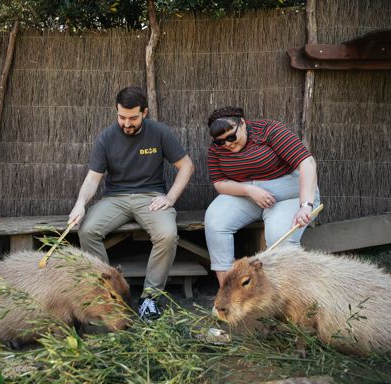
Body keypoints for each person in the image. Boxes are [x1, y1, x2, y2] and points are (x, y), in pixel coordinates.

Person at [68, 86, 194, 321]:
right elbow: (93, 178)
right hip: (115, 199)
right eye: (122, 117)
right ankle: (106, 292)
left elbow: (186, 166)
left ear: (144, 113)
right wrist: (80, 203)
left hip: (150, 198)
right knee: (87, 230)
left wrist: (170, 198)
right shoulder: (106, 137)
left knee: (167, 234)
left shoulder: (159, 132)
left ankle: (150, 298)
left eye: (133, 118)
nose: (126, 123)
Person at [204, 106, 319, 287]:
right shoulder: (216, 149)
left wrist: (305, 204)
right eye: (220, 142)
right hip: (247, 195)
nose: (227, 144)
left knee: (278, 236)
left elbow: (307, 163)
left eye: (231, 137)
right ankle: (227, 292)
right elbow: (219, 183)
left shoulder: (268, 130)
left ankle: (290, 295)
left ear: (243, 123)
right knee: (215, 221)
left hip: (290, 195)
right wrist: (249, 190)